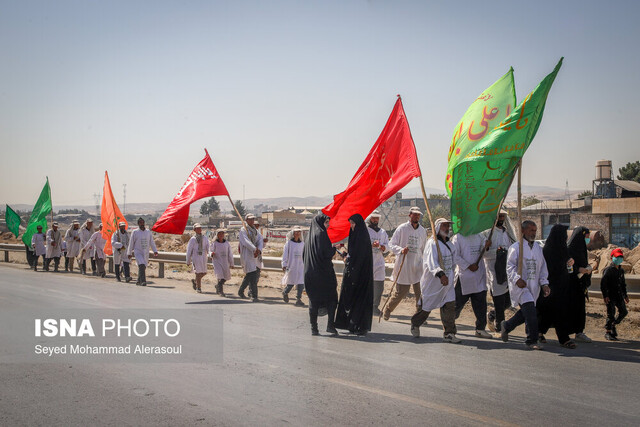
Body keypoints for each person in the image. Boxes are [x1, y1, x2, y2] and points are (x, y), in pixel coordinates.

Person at [500, 221, 550, 350]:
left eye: (535, 230)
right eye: (531, 230)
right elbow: (510, 267)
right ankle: (532, 339)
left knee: (527, 312)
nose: (534, 233)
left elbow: (543, 267)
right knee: (531, 312)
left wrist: (544, 283)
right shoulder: (516, 247)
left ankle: (507, 325)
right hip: (521, 287)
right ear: (523, 231)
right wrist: (517, 279)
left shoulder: (538, 248)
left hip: (534, 286)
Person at [410, 218, 460, 343]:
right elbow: (431, 262)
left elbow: (454, 261)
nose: (447, 228)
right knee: (427, 307)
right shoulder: (432, 243)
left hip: (447, 282)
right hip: (434, 282)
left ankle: (449, 333)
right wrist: (441, 274)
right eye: (444, 225)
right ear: (437, 227)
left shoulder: (450, 244)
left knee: (449, 306)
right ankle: (415, 322)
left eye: (448, 226)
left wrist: (451, 275)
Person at [383, 207, 427, 320]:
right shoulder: (402, 228)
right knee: (401, 292)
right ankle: (388, 309)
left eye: (418, 215)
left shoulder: (422, 231)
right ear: (410, 215)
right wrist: (401, 250)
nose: (416, 216)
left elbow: (424, 249)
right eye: (414, 214)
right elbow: (392, 244)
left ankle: (419, 315)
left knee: (420, 293)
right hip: (404, 265)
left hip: (417, 266)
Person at [335, 214, 374, 335]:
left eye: (353, 223)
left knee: (360, 300)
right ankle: (351, 324)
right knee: (350, 299)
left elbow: (360, 257)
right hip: (353, 273)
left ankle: (360, 326)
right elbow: (354, 253)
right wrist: (347, 255)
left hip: (360, 276)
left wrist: (349, 260)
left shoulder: (362, 237)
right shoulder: (355, 235)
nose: (351, 226)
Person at [539, 224, 576, 348]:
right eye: (564, 234)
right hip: (551, 286)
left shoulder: (562, 247)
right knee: (556, 311)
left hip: (562, 285)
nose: (565, 237)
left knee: (553, 312)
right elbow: (548, 269)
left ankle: (541, 331)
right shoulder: (548, 250)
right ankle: (563, 338)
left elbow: (566, 260)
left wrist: (570, 260)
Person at [303, 213, 339, 336]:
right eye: (326, 222)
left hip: (310, 274)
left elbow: (304, 255)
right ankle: (330, 325)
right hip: (323, 273)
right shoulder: (322, 235)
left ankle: (314, 328)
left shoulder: (308, 237)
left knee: (313, 300)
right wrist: (334, 248)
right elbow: (327, 254)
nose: (327, 225)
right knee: (332, 299)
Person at [453, 232, 492, 338]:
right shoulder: (458, 237)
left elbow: (483, 253)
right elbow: (455, 256)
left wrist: (486, 246)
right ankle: (449, 325)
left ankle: (480, 329)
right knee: (457, 304)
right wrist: (468, 266)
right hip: (464, 277)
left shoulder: (479, 236)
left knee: (481, 305)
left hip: (478, 276)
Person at [481, 211, 516, 332]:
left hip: (508, 270)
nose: (501, 219)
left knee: (510, 299)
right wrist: (498, 252)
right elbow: (484, 253)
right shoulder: (487, 233)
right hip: (494, 271)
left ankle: (492, 314)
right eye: (499, 216)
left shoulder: (507, 232)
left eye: (503, 216)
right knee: (499, 300)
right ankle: (500, 327)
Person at [567, 226, 593, 343]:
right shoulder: (570, 249)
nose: (587, 240)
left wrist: (588, 269)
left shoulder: (582, 249)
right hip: (571, 284)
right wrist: (579, 269)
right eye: (586, 237)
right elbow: (567, 266)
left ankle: (579, 332)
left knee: (580, 309)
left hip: (580, 284)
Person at [601, 248, 629, 341]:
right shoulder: (608, 270)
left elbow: (623, 284)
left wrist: (625, 295)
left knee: (624, 312)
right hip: (610, 295)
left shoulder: (621, 271)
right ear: (612, 257)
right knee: (611, 313)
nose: (619, 259)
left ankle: (613, 324)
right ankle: (608, 332)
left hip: (619, 295)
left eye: (620, 257)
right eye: (617, 257)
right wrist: (605, 295)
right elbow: (603, 284)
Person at [366, 211, 389, 316]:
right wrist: (371, 245)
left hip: (379, 263)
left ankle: (375, 306)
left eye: (377, 218)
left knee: (379, 286)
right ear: (370, 219)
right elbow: (361, 245)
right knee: (367, 286)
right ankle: (366, 306)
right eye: (373, 218)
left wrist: (383, 247)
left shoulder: (383, 232)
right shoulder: (366, 231)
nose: (375, 220)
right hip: (368, 263)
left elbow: (387, 246)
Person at [237, 214, 263, 302]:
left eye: (253, 219)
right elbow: (245, 241)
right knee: (252, 274)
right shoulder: (243, 230)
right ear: (246, 220)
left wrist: (258, 249)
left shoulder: (255, 230)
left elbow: (260, 240)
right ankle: (254, 295)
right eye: (250, 219)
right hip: (247, 254)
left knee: (250, 274)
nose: (252, 221)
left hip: (254, 255)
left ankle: (241, 291)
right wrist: (254, 249)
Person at [127, 217, 158, 286]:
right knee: (141, 264)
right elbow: (131, 243)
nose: (142, 224)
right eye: (140, 223)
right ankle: (143, 281)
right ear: (138, 224)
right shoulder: (135, 232)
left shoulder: (148, 232)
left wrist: (155, 250)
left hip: (145, 252)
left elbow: (151, 242)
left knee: (143, 266)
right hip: (138, 252)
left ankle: (138, 281)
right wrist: (129, 253)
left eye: (143, 222)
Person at [281, 226, 305, 306]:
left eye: (299, 232)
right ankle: (285, 292)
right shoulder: (289, 243)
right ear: (293, 233)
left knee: (301, 283)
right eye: (296, 232)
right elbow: (285, 254)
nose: (297, 234)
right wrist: (284, 264)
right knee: (291, 282)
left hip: (301, 266)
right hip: (291, 265)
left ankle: (298, 299)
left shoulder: (302, 244)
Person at [186, 223, 209, 293]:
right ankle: (198, 287)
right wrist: (188, 260)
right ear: (194, 230)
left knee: (204, 272)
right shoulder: (193, 239)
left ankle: (195, 281)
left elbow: (208, 246)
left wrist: (210, 254)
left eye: (200, 228)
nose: (199, 230)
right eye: (197, 228)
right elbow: (189, 250)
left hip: (203, 257)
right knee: (198, 273)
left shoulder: (204, 238)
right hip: (196, 258)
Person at [211, 229, 233, 296]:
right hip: (217, 261)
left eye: (222, 234)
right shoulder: (214, 243)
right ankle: (221, 291)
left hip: (225, 262)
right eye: (219, 234)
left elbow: (230, 253)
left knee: (226, 277)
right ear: (217, 235)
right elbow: (210, 250)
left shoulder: (226, 243)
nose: (221, 235)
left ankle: (218, 286)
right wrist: (211, 254)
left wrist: (231, 263)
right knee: (220, 276)